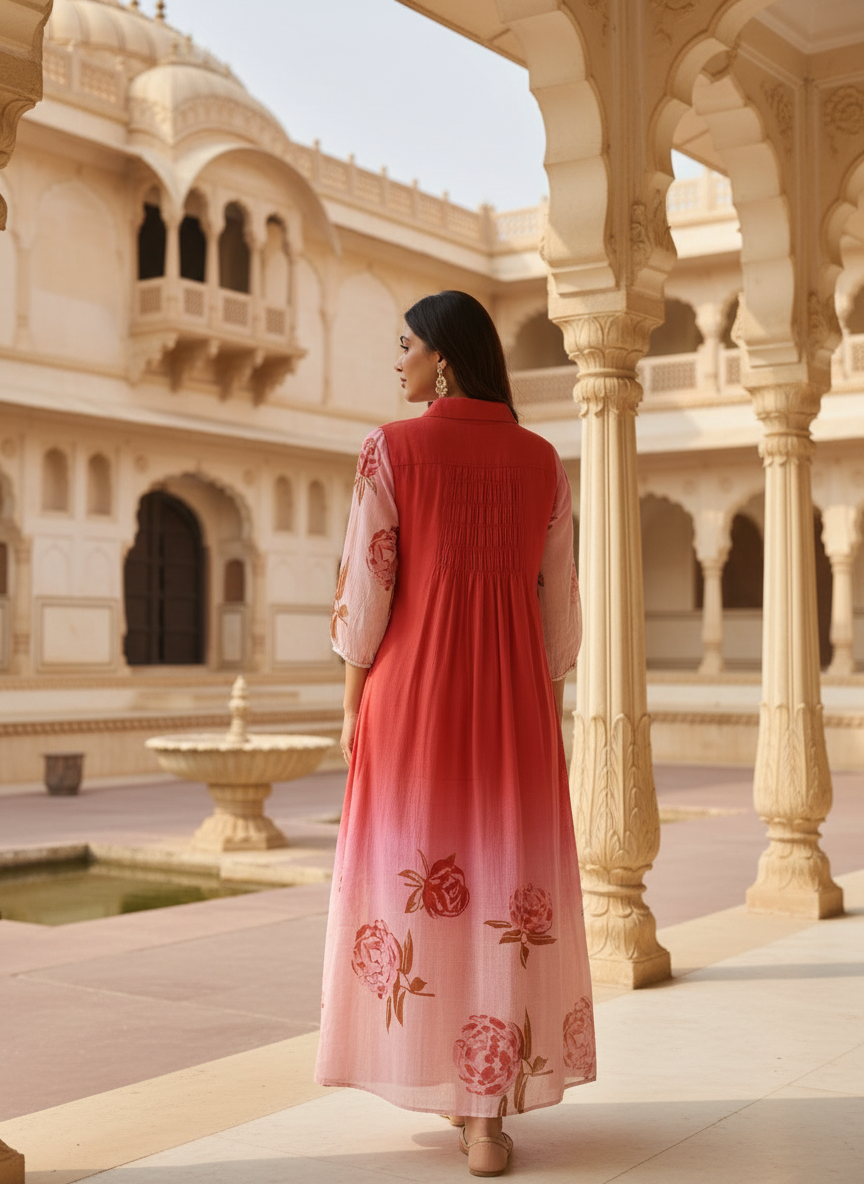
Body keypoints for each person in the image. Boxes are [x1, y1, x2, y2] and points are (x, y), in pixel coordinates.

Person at [315, 291, 595, 1177]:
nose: (396, 361)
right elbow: (561, 614)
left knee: (423, 884)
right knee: (503, 888)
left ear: (442, 356)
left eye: (404, 346)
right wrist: (537, 703)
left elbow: (369, 589)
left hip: (414, 696)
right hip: (512, 699)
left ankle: (443, 1082)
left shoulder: (389, 449)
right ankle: (485, 1117)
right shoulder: (543, 461)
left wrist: (353, 700)